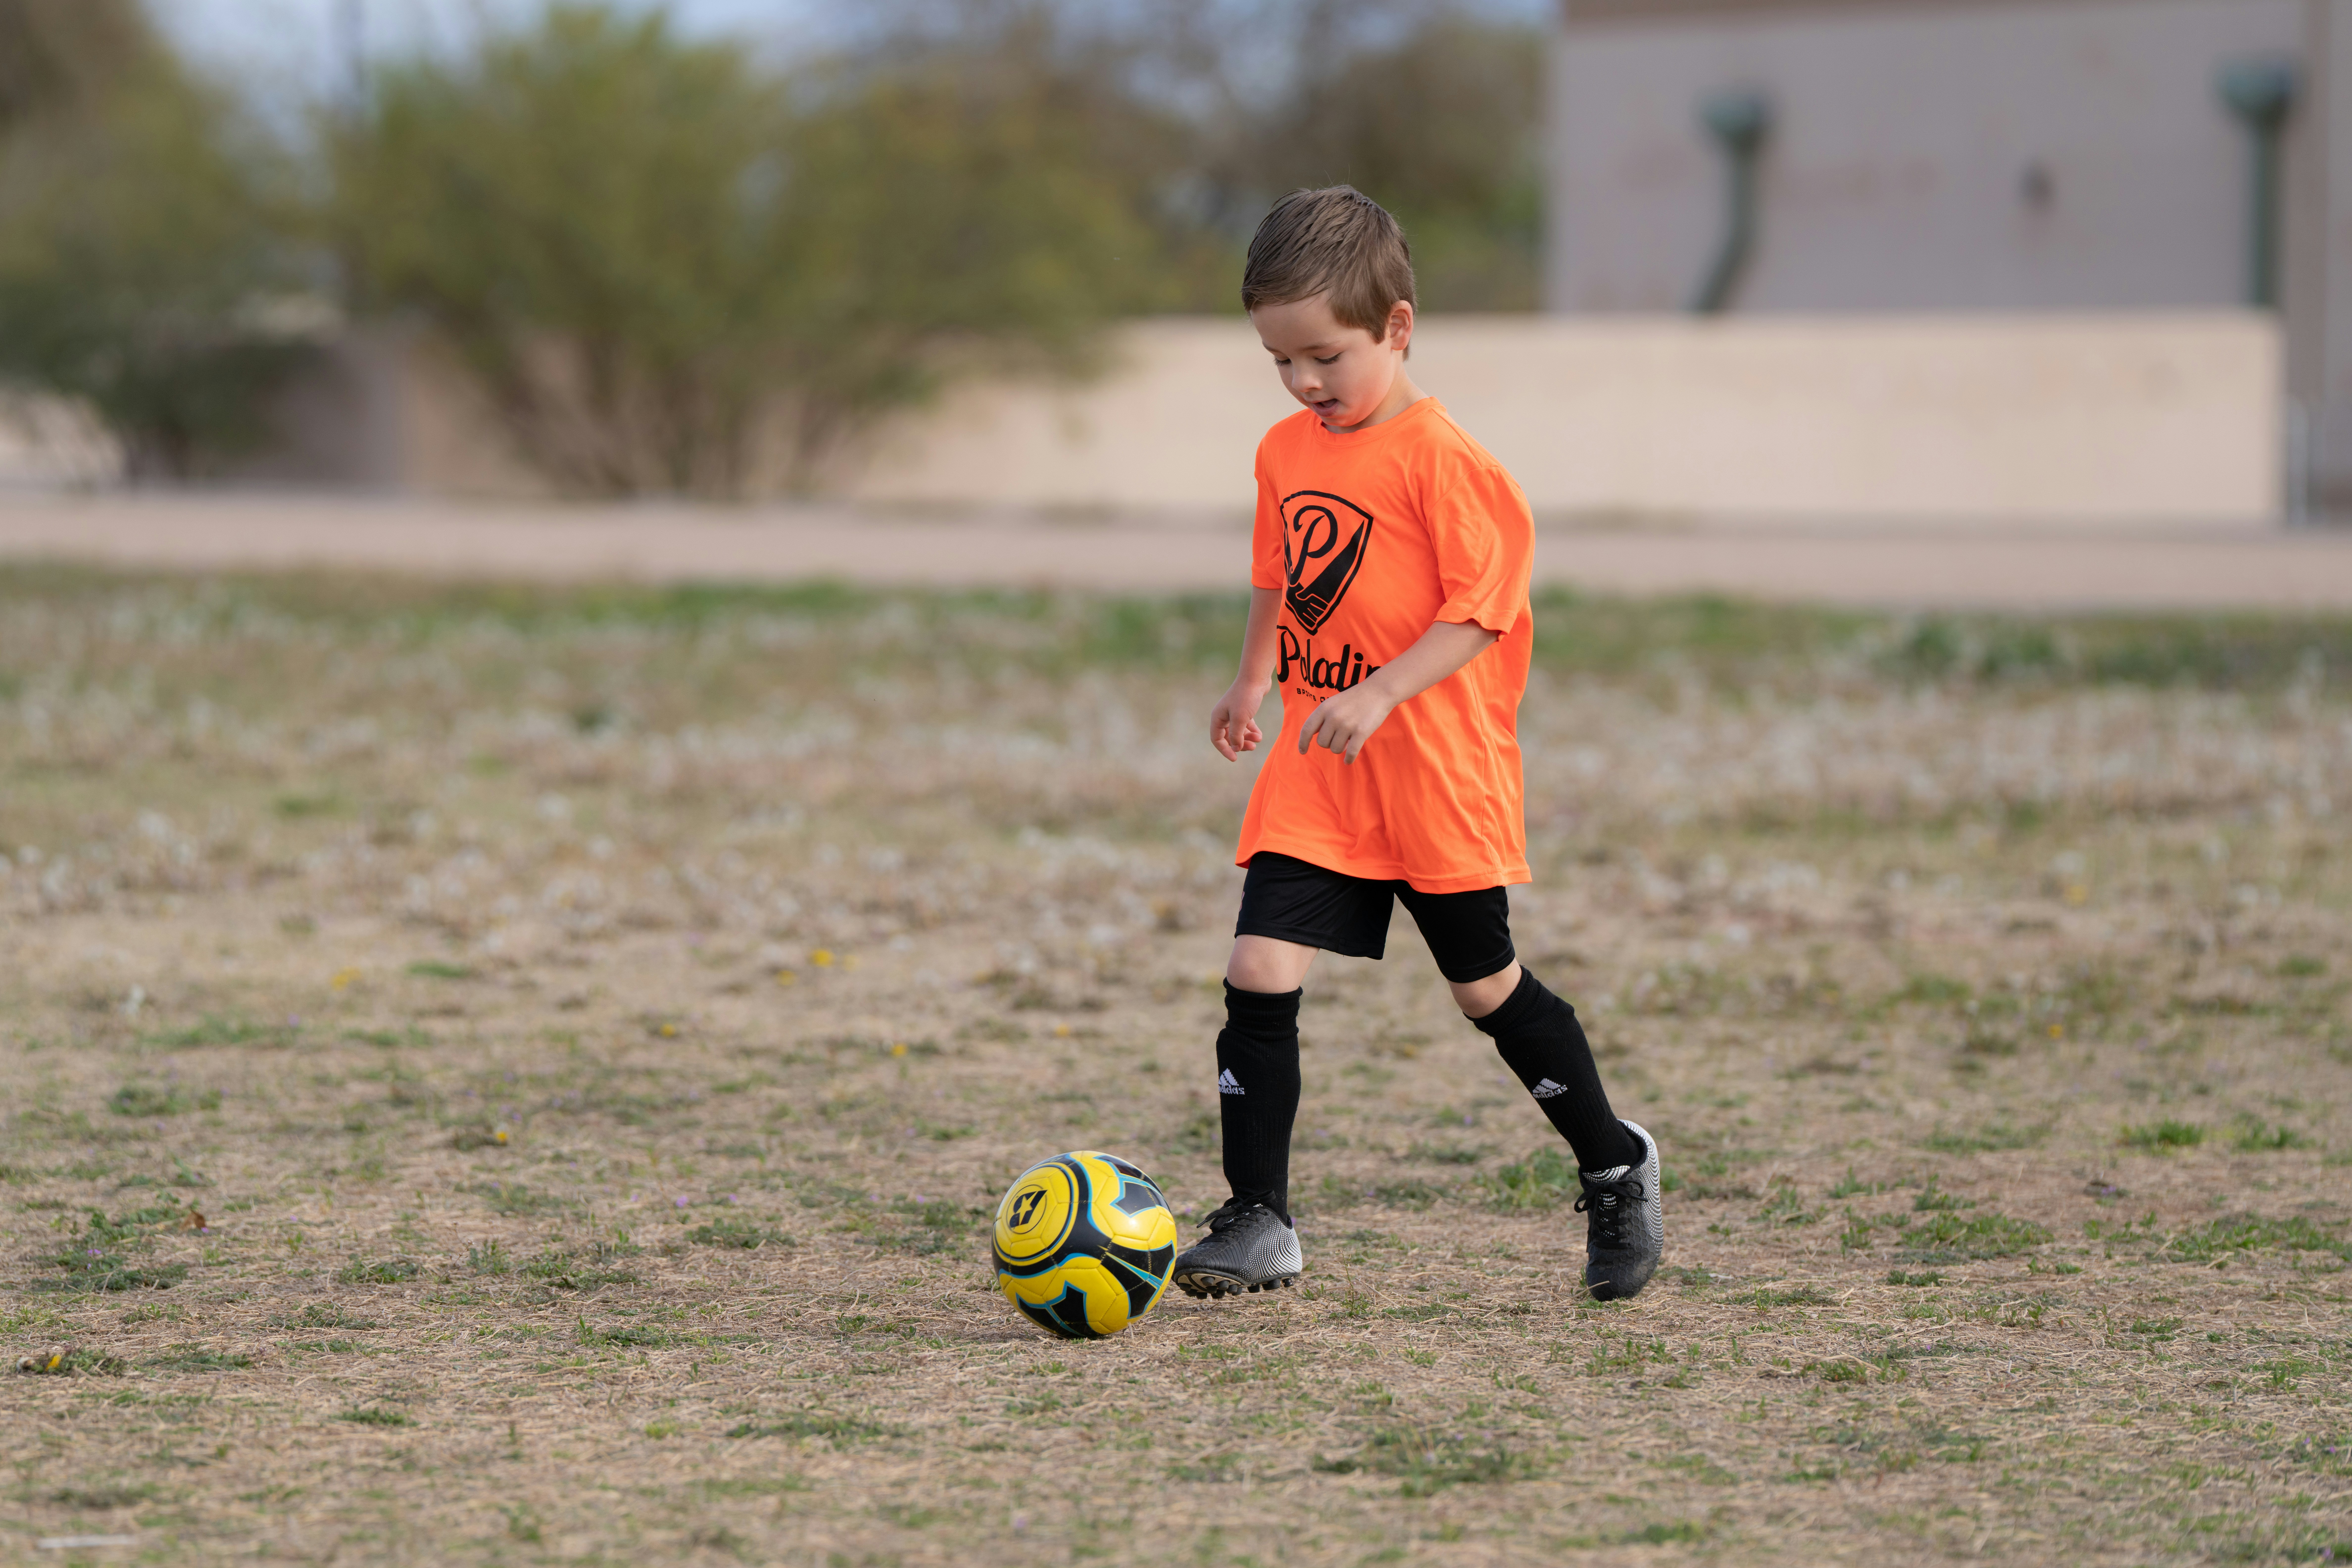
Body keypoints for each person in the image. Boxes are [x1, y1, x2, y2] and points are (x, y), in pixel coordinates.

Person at [1169, 186, 1663, 1305]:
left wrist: (1388, 690)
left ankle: (1614, 1163)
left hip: (1435, 769)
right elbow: (1277, 573)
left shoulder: (1450, 463)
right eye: (1280, 361)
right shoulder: (1286, 450)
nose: (1303, 384)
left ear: (1397, 328)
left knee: (1486, 990)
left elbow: (1479, 613)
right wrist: (1254, 676)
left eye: (1325, 358)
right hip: (1322, 763)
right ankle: (1260, 1220)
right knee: (1257, 968)